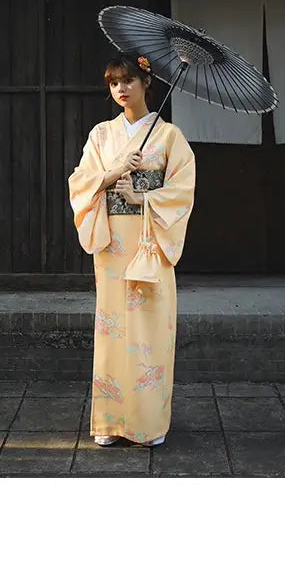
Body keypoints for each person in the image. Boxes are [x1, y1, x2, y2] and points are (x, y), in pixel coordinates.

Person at [68, 54, 196, 447]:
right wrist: (115, 169)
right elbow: (81, 181)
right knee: (113, 328)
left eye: (128, 80)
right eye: (114, 83)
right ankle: (109, 423)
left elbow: (183, 191)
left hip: (150, 240)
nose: (121, 89)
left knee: (149, 330)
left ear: (146, 82)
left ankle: (147, 423)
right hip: (112, 244)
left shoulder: (169, 136)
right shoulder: (102, 135)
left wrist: (143, 197)